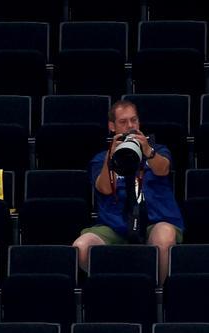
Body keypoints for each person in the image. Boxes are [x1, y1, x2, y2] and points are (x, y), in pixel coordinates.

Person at [73, 100, 185, 282]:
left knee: (164, 236)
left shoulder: (157, 150)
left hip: (154, 220)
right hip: (116, 224)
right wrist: (111, 156)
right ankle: (116, 287)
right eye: (123, 122)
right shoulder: (101, 158)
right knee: (82, 247)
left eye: (134, 120)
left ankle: (158, 293)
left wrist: (148, 150)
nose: (130, 126)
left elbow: (163, 169)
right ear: (112, 126)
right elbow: (104, 188)